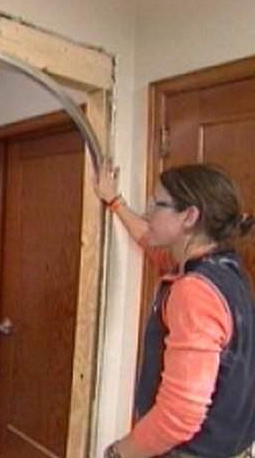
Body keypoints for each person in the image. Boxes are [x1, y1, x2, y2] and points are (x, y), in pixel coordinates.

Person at [95, 161, 255, 458]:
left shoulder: (194, 291)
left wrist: (118, 453)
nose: (148, 211)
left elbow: (179, 415)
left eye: (157, 204)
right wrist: (114, 201)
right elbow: (149, 239)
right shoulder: (226, 272)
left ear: (190, 216)